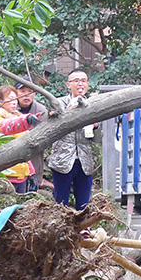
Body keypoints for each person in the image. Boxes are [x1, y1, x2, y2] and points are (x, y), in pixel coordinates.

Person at [48, 69, 95, 209]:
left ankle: (83, 230)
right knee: (61, 204)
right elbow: (53, 127)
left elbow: (98, 139)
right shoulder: (59, 103)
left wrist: (96, 126)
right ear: (69, 85)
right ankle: (61, 230)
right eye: (76, 81)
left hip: (84, 161)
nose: (80, 84)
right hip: (62, 160)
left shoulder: (93, 103)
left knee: (84, 205)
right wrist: (69, 110)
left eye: (83, 80)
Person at [0, 85, 41, 194]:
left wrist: (31, 173)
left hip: (21, 175)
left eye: (15, 99)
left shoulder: (18, 116)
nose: (14, 102)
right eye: (10, 99)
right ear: (0, 100)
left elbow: (24, 149)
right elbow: (5, 127)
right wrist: (26, 121)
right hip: (5, 175)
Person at [15, 81, 49, 189]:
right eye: (22, 91)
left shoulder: (41, 111)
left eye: (30, 91)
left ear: (34, 94)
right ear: (15, 93)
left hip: (34, 164)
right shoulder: (9, 110)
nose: (26, 95)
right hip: (12, 168)